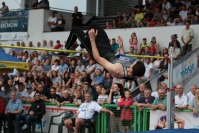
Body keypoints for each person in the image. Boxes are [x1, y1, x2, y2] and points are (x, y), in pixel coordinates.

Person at [64, 22, 145, 79]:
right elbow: (122, 59)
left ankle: (65, 49)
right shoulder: (134, 71)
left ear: (132, 70)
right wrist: (121, 47)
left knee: (75, 30)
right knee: (94, 25)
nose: (132, 63)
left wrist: (92, 39)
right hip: (109, 49)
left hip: (99, 53)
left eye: (132, 65)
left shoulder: (116, 70)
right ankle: (80, 47)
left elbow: (97, 58)